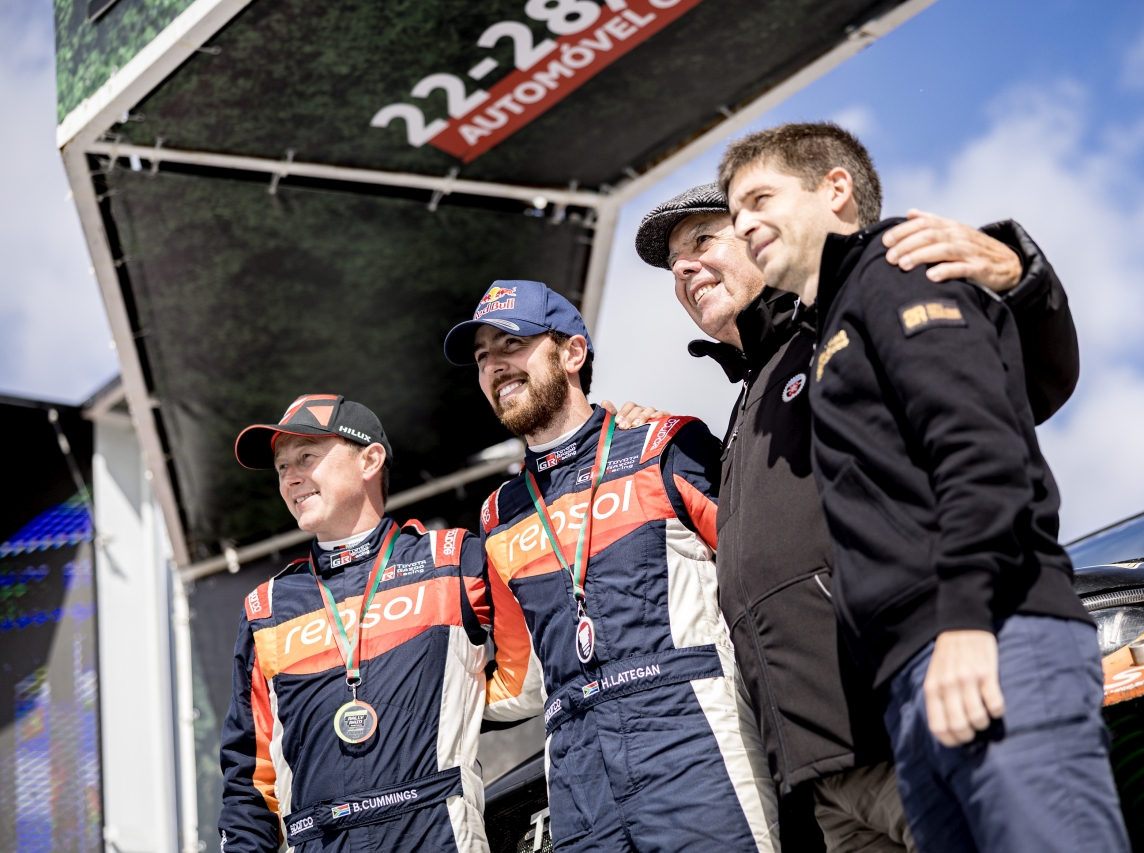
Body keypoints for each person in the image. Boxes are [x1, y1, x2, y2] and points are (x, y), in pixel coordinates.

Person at [718, 121, 1129, 853]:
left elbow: (979, 451)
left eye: (760, 199)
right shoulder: (825, 331)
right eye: (735, 211)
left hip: (988, 638)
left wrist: (966, 622)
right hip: (912, 678)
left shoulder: (899, 268)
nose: (743, 224)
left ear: (836, 189)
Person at [629, 186, 1079, 853]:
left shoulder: (839, 327)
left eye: (702, 241)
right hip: (825, 777)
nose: (684, 269)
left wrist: (1018, 278)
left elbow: (1019, 383)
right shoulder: (748, 402)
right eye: (674, 264)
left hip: (916, 723)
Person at [442, 281, 780, 853]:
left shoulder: (664, 445)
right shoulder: (499, 516)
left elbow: (761, 573)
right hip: (578, 780)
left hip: (693, 747)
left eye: (512, 344)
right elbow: (521, 679)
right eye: (482, 357)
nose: (495, 365)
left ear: (573, 353)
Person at [219, 394, 492, 853]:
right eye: (282, 467)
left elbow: (545, 650)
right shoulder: (267, 608)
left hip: (436, 834)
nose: (290, 477)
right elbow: (250, 778)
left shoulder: (449, 560)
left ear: (369, 460)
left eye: (306, 457)